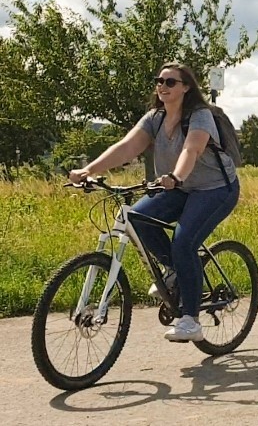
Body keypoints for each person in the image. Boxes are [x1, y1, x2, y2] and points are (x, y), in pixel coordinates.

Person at [69, 61, 240, 342]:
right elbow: (126, 147)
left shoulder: (200, 116)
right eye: (159, 81)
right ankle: (175, 270)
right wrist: (89, 170)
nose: (162, 86)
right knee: (137, 218)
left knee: (184, 242)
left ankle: (191, 319)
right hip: (180, 188)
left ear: (186, 88)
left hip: (215, 189)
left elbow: (192, 148)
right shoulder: (155, 118)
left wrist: (176, 175)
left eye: (170, 82)